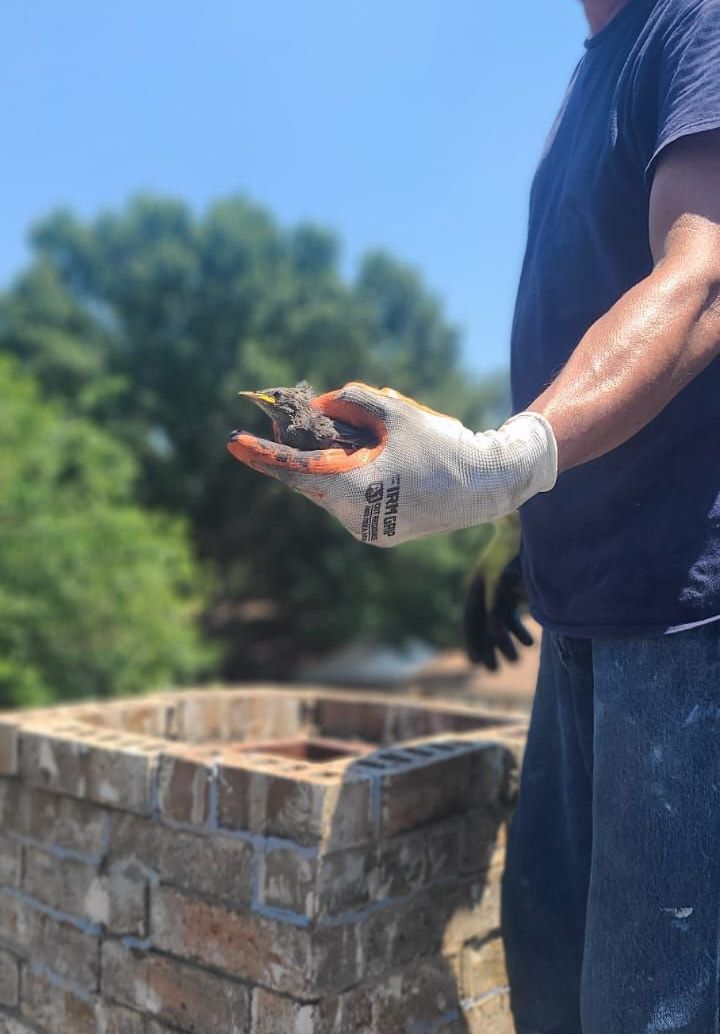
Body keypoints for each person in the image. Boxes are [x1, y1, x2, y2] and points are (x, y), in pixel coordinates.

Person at [228, 0, 720, 1028]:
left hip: (683, 624)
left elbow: (703, 278)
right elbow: (581, 321)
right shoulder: (596, 70)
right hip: (584, 605)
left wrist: (503, 463)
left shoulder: (695, 23)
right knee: (547, 983)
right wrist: (512, 529)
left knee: (647, 1008)